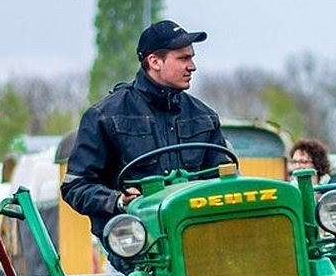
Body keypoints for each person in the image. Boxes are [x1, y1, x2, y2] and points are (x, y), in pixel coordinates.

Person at [61, 19, 231, 256]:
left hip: (200, 244)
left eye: (191, 58)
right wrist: (118, 200)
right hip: (136, 252)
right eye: (183, 58)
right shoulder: (104, 116)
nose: (192, 66)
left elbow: (224, 180)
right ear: (154, 62)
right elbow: (76, 186)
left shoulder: (204, 117)